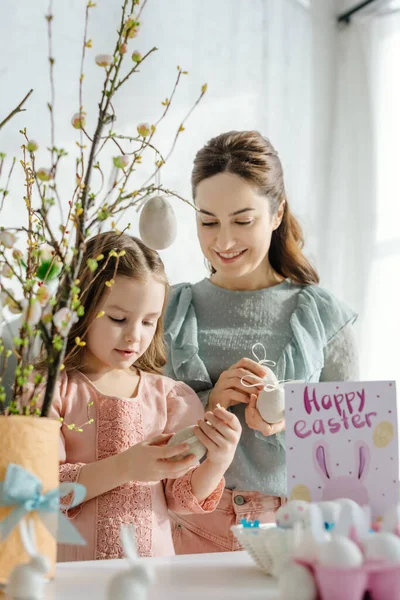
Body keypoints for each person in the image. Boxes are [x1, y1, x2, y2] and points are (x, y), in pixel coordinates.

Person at [164, 130, 359, 554]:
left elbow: (352, 461)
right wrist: (208, 404)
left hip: (294, 533)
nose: (224, 242)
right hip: (188, 529)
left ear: (276, 214)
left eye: (243, 220)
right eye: (208, 221)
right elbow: (137, 431)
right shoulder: (170, 310)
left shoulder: (324, 317)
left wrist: (292, 419)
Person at [33, 232, 241, 561]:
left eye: (148, 322)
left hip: (153, 578)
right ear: (80, 309)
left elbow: (181, 498)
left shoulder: (168, 397)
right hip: (73, 580)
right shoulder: (49, 392)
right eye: (118, 319)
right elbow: (41, 491)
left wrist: (217, 461)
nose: (134, 335)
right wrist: (127, 466)